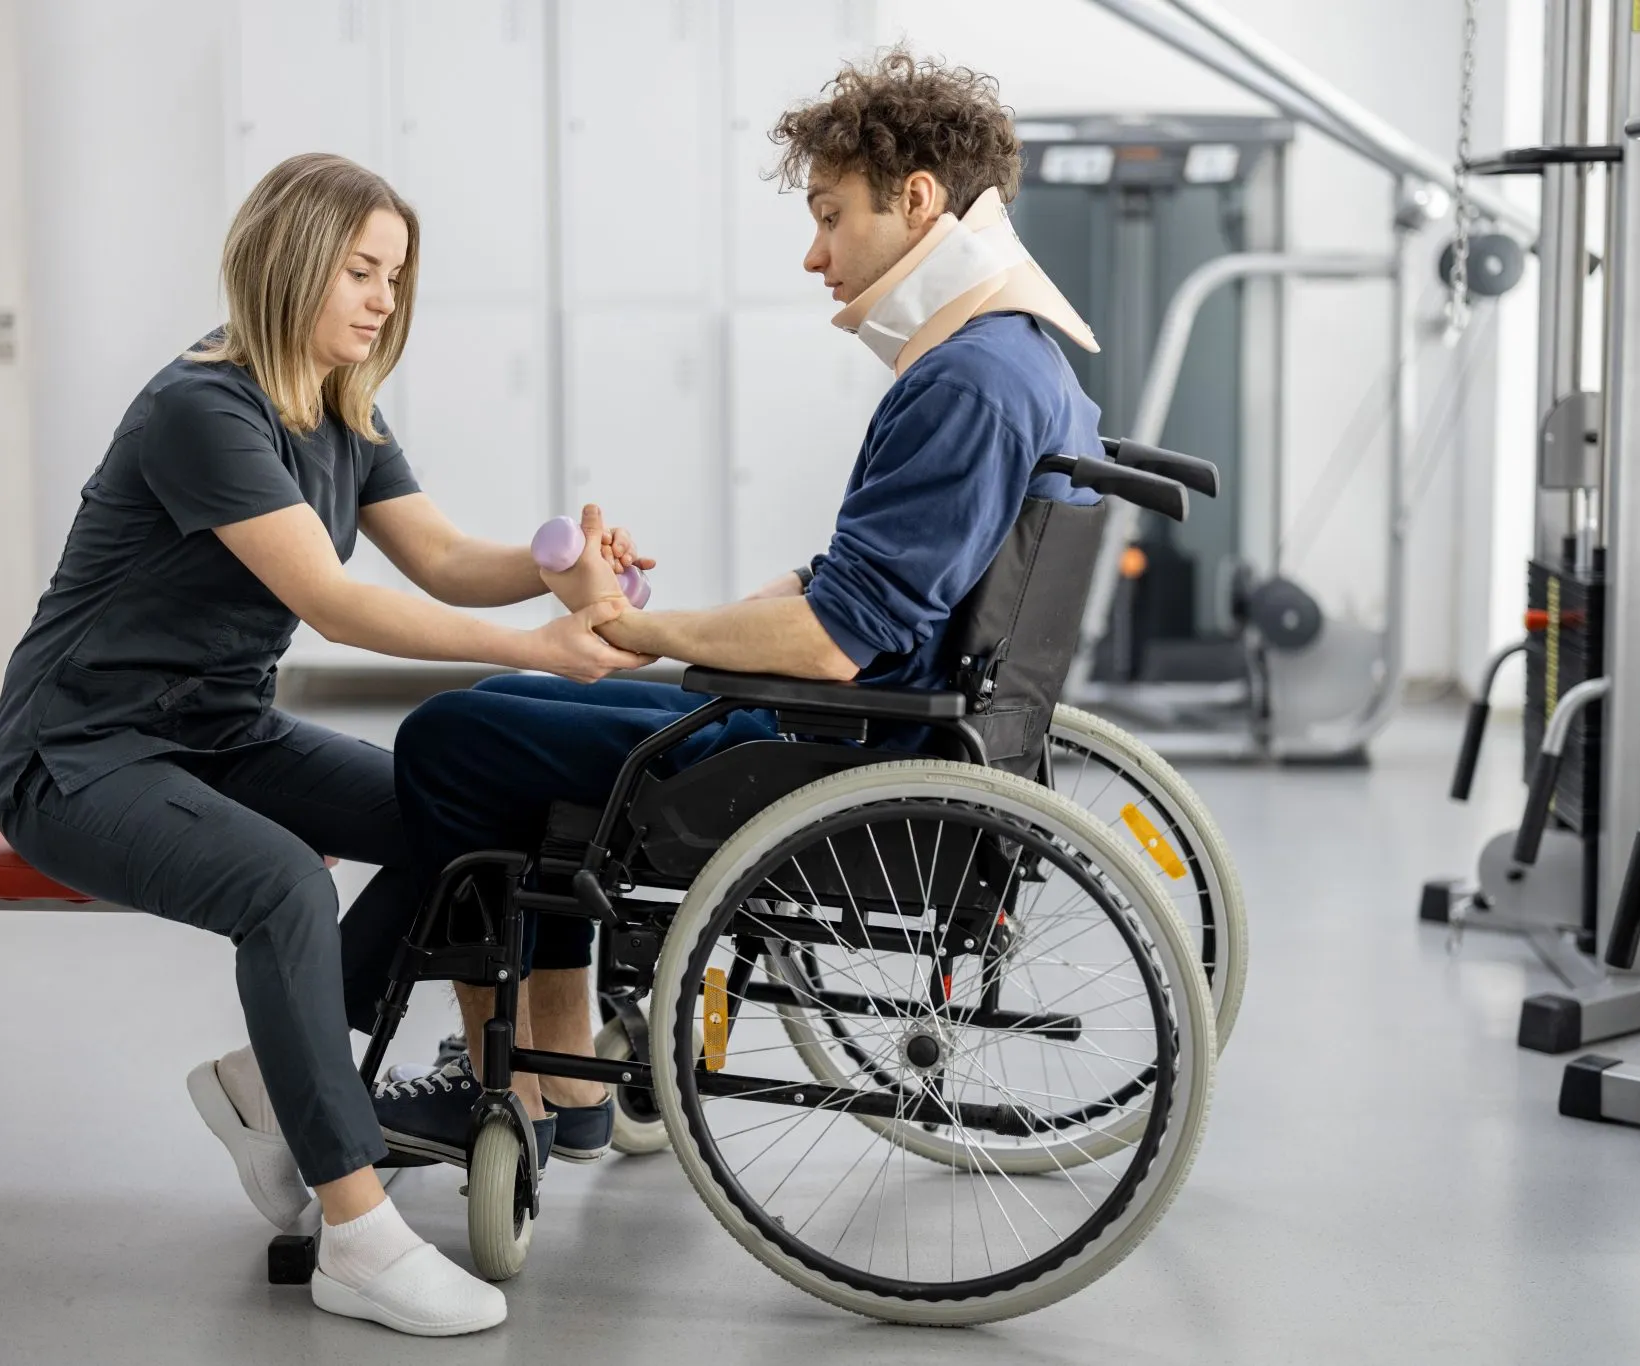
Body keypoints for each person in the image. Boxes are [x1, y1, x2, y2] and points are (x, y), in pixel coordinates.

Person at [373, 50, 1105, 1167]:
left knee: (451, 737)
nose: (814, 254)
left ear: (916, 200)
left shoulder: (963, 382)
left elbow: (832, 640)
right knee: (511, 697)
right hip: (887, 726)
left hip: (832, 751)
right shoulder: (1023, 363)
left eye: (829, 216)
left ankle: (505, 1085)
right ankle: (558, 1078)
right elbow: (870, 585)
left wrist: (644, 632)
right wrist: (707, 615)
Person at [0, 152, 653, 1338]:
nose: (384, 299)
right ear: (289, 264)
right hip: (78, 751)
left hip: (221, 730)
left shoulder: (341, 405)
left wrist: (552, 570)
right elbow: (335, 604)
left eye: (395, 276)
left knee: (467, 824)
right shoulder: (202, 408)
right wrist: (534, 649)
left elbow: (439, 557)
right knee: (282, 883)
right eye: (360, 271)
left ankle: (267, 1081)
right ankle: (356, 1233)